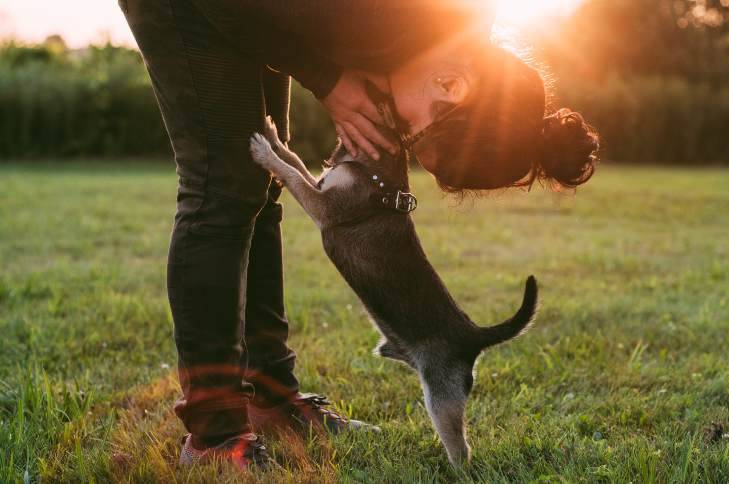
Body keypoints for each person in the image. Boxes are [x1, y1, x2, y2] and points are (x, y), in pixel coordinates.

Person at [119, 0, 599, 469]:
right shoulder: (394, 14)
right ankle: (215, 434)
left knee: (257, 188)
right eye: (412, 131)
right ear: (451, 84)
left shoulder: (437, 30)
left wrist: (330, 74)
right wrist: (328, 80)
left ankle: (270, 398)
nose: (397, 136)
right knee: (223, 188)